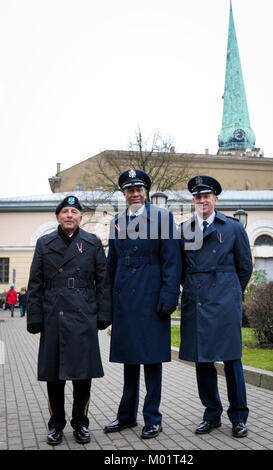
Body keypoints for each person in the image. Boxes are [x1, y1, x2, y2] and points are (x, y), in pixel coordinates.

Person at [26, 195, 112, 446]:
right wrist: (34, 316)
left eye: (74, 211)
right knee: (54, 377)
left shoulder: (92, 242)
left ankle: (81, 424)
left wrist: (104, 314)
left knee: (83, 376)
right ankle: (56, 425)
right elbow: (35, 282)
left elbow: (103, 282)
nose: (69, 215)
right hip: (54, 313)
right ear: (57, 217)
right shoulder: (44, 243)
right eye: (64, 211)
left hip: (82, 314)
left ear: (80, 217)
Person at [104, 169, 181, 439]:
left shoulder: (163, 217)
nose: (134, 194)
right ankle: (126, 416)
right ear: (124, 195)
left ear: (146, 192)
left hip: (152, 298)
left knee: (152, 363)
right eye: (129, 190)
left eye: (138, 189)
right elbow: (111, 263)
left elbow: (172, 261)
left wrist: (169, 296)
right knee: (129, 362)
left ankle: (153, 417)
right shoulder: (116, 221)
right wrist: (108, 302)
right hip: (125, 300)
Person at [179, 175, 253, 438]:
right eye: (197, 197)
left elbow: (245, 267)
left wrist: (232, 293)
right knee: (203, 362)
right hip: (196, 303)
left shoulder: (232, 228)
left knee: (232, 362)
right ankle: (211, 414)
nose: (202, 201)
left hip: (224, 303)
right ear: (193, 201)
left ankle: (238, 417)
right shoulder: (184, 230)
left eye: (206, 196)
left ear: (215, 200)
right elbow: (180, 269)